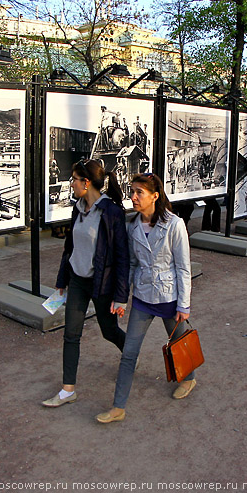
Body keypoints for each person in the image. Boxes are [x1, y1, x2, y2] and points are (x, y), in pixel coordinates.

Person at [96, 173, 195, 423]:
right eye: (132, 191)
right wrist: (121, 299)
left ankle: (190, 378)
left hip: (169, 297)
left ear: (155, 196)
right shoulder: (133, 226)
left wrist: (183, 304)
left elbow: (183, 267)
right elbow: (130, 264)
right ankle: (118, 407)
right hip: (142, 297)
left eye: (139, 192)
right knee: (129, 352)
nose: (133, 197)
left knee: (179, 344)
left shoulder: (174, 224)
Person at [43, 159, 129, 408]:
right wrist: (62, 280)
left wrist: (121, 295)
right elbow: (69, 247)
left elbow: (122, 257)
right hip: (77, 281)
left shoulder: (111, 211)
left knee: (108, 330)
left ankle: (130, 354)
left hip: (101, 283)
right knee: (71, 334)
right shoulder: (77, 208)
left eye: (74, 179)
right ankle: (68, 390)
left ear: (86, 182)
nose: (71, 184)